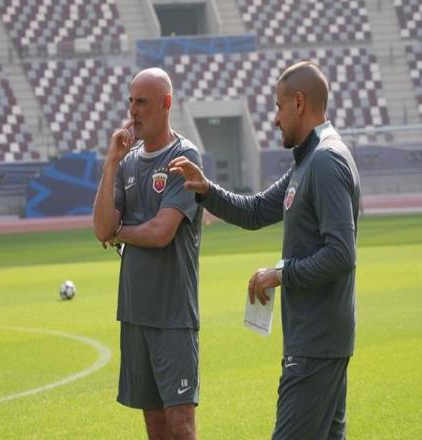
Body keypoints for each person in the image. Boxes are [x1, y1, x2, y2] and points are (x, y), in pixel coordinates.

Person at [169, 61, 360, 439]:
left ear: (299, 103)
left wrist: (280, 274)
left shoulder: (325, 160)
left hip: (315, 343)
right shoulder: (309, 160)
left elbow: (342, 253)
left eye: (278, 106)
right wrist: (206, 190)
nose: (275, 119)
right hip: (319, 340)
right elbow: (256, 211)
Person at [93, 67, 203, 440]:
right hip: (135, 313)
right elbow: (101, 228)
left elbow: (161, 232)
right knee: (155, 427)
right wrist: (110, 163)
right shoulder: (126, 162)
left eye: (141, 102)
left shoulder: (183, 156)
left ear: (166, 103)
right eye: (131, 101)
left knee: (181, 425)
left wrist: (120, 233)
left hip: (172, 314)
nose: (133, 110)